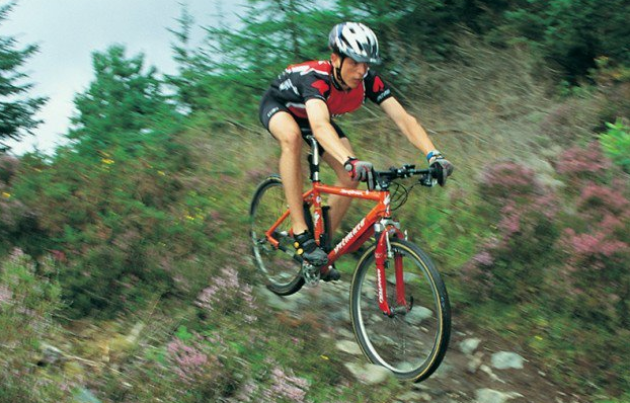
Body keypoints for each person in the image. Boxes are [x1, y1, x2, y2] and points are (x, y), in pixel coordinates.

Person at [258, 22, 453, 274]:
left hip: (317, 118)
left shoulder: (368, 81)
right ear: (335, 59)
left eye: (366, 64)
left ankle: (323, 245)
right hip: (282, 107)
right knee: (292, 138)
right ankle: (300, 229)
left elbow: (404, 119)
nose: (361, 70)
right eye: (354, 62)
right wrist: (350, 159)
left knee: (349, 179)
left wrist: (434, 154)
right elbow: (318, 126)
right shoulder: (316, 79)